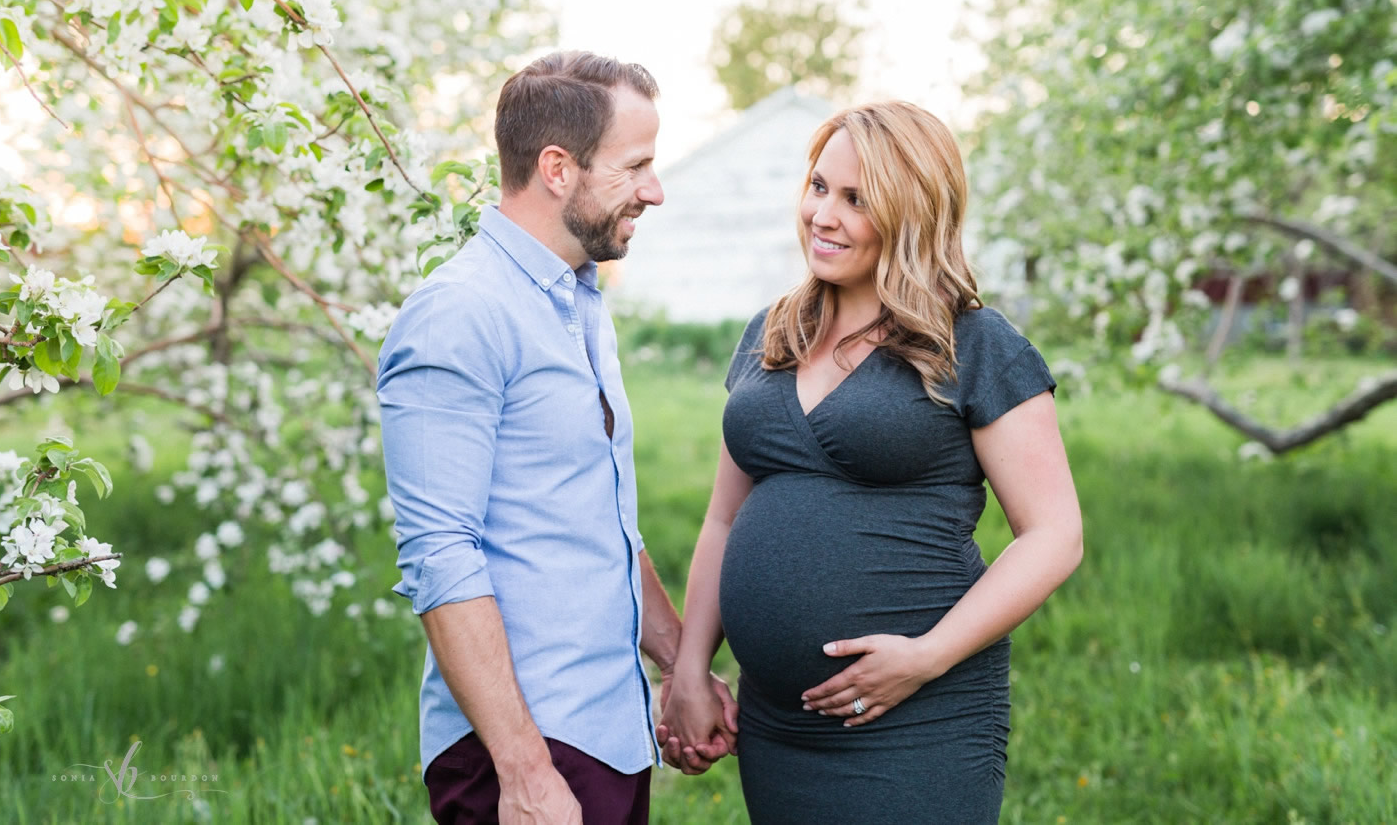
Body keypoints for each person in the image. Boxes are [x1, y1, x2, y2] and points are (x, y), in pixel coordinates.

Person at [657, 100, 1084, 822]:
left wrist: (928, 655)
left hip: (918, 720)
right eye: (819, 186)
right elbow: (725, 518)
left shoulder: (974, 344)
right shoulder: (773, 332)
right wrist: (691, 669)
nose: (824, 214)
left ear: (911, 212)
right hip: (778, 724)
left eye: (856, 199)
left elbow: (1054, 534)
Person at [377, 50, 737, 825]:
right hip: (521, 753)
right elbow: (442, 556)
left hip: (605, 733)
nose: (655, 189)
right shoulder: (460, 313)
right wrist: (526, 771)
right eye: (635, 164)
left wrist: (681, 667)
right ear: (557, 168)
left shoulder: (577, 302)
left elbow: (600, 520)